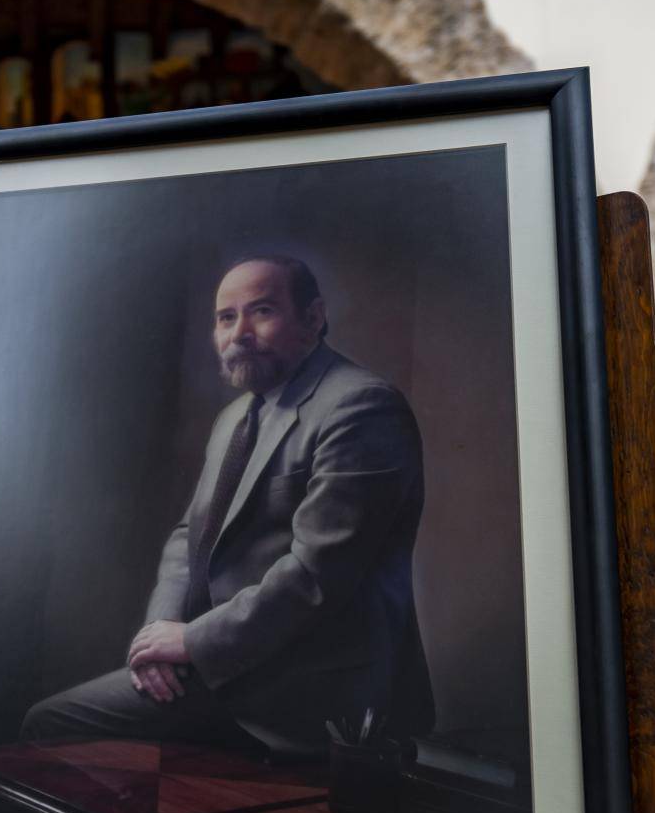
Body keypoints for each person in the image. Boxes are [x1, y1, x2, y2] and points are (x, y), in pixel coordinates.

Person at [22, 255, 435, 758]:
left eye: (261, 311)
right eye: (225, 317)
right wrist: (158, 643)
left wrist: (191, 642)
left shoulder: (362, 407)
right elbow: (186, 538)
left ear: (313, 317)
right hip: (224, 664)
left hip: (307, 691)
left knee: (49, 725)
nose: (239, 332)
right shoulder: (235, 416)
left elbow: (316, 578)